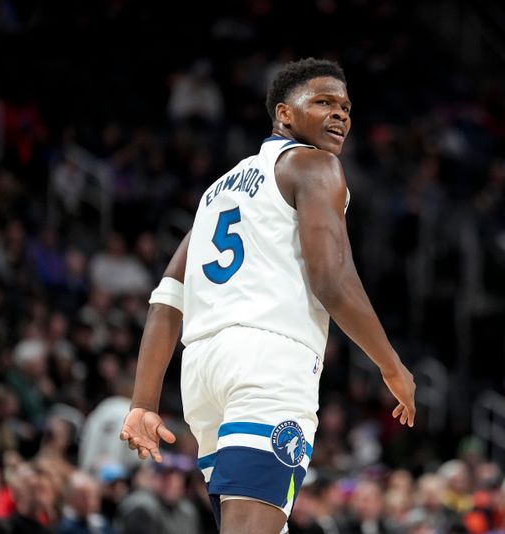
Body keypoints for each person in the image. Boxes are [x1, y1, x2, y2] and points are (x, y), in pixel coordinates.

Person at [119, 58, 416, 534]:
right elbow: (332, 278)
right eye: (323, 102)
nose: (340, 114)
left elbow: (167, 299)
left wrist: (143, 401)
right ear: (284, 114)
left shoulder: (218, 190)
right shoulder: (315, 164)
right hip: (269, 359)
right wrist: (390, 364)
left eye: (345, 106)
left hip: (203, 372)